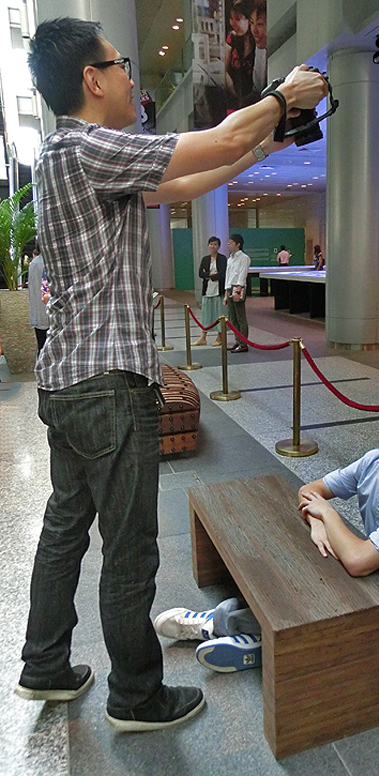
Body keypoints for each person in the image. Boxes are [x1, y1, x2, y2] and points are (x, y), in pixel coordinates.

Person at [17, 16, 327, 732]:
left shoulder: (74, 157)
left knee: (65, 528)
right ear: (92, 81)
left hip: (68, 380)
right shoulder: (91, 147)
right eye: (120, 64)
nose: (131, 76)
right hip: (107, 384)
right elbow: (212, 141)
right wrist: (280, 97)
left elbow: (200, 171)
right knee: (129, 550)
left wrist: (268, 139)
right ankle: (136, 698)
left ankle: (44, 666)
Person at [154, 384, 379, 668]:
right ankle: (259, 644)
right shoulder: (375, 460)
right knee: (305, 557)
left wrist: (326, 514)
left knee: (319, 586)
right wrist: (316, 523)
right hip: (370, 576)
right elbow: (309, 491)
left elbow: (356, 561)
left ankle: (219, 623)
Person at [194, 236, 227, 347]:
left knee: (219, 313)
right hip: (207, 290)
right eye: (211, 244)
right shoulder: (205, 259)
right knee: (206, 313)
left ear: (218, 246)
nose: (212, 246)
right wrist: (210, 274)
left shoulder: (222, 259)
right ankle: (203, 337)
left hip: (219, 290)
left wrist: (211, 276)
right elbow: (200, 273)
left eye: (215, 244)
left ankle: (219, 336)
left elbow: (222, 274)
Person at [225, 0, 255, 109]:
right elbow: (223, 67)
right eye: (231, 18)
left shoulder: (258, 43)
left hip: (254, 102)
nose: (233, 23)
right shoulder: (232, 38)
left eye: (237, 19)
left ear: (249, 20)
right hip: (234, 102)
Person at [224, 233, 251, 353]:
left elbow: (242, 275)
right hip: (230, 288)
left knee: (240, 317)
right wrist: (226, 293)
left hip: (238, 288)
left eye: (231, 242)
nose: (228, 244)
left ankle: (243, 343)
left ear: (238, 244)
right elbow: (228, 276)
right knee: (232, 317)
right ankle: (237, 340)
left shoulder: (244, 258)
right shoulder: (230, 258)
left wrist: (238, 291)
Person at [27, 245, 50, 354]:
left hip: (39, 314)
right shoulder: (45, 262)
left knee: (41, 348)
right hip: (47, 315)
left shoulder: (35, 262)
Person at [249, 0, 267, 96]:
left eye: (260, 24)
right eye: (252, 23)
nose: (254, 30)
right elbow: (258, 87)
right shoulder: (259, 47)